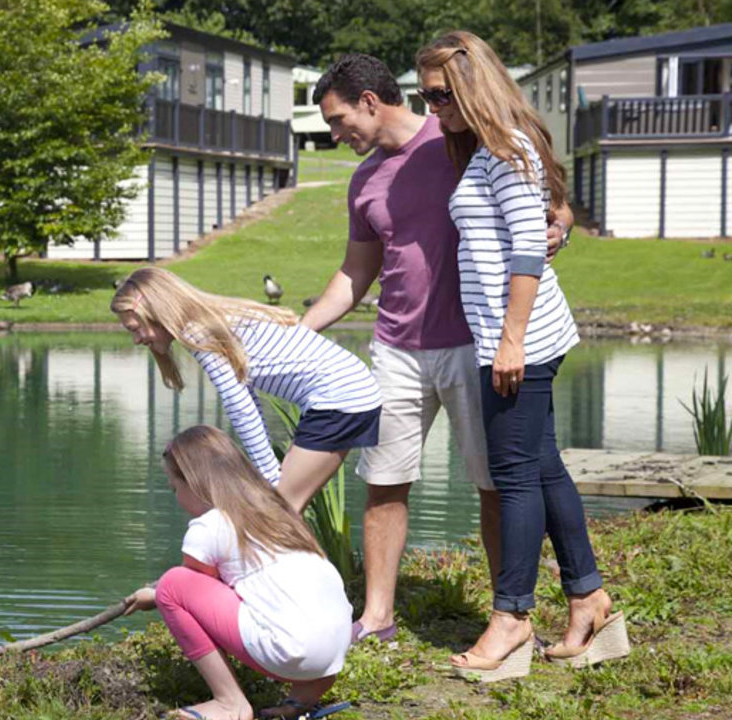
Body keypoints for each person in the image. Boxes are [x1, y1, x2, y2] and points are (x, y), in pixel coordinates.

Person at [302, 53, 572, 644]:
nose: (334, 132)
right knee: (384, 481)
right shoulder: (364, 182)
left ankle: (508, 614)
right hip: (396, 348)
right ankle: (377, 617)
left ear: (371, 102)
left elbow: (544, 198)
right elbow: (354, 274)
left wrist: (562, 223)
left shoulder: (456, 135)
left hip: (477, 343)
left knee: (497, 484)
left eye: (339, 118)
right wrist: (303, 329)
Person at [416, 31, 629, 681]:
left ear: (472, 84)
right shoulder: (491, 148)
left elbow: (527, 253)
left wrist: (510, 339)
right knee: (541, 468)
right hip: (511, 337)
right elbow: (541, 224)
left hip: (520, 341)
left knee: (514, 475)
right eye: (421, 95)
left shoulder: (507, 147)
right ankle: (589, 600)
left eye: (439, 94)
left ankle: (511, 618)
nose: (432, 108)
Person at [124, 425, 352, 720]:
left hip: (288, 653)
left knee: (172, 584)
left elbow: (193, 586)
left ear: (194, 483)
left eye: (174, 488)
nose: (177, 497)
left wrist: (155, 596)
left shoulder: (209, 526)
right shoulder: (278, 513)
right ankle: (299, 702)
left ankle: (229, 703)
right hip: (334, 651)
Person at [111, 267, 382, 512]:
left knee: (278, 510)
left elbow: (238, 403)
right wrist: (268, 473)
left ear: (157, 313)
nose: (136, 340)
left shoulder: (198, 332)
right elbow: (246, 392)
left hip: (339, 398)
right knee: (281, 508)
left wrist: (268, 474)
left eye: (135, 329)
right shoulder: (209, 321)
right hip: (350, 393)